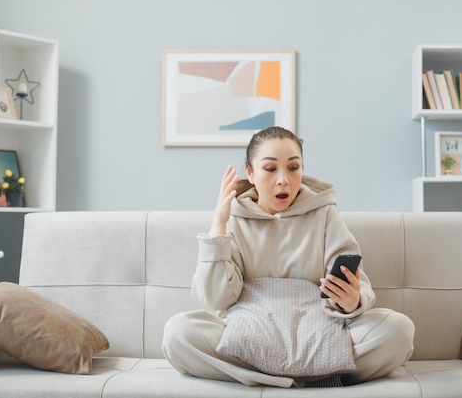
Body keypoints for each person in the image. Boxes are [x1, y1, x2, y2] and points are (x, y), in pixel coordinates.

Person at [162, 126, 414, 388]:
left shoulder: (324, 214)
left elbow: (358, 285)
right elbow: (216, 299)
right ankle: (319, 378)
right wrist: (218, 224)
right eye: (270, 169)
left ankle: (271, 377)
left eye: (293, 168)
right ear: (249, 172)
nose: (283, 179)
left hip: (319, 335)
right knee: (178, 333)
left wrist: (353, 301)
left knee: (398, 330)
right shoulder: (233, 221)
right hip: (251, 335)